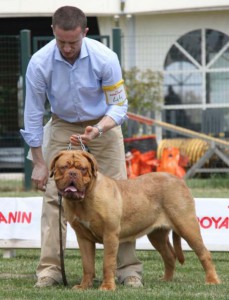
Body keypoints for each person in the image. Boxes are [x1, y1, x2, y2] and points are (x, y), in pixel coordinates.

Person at [20, 6, 143, 288]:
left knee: (119, 197)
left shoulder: (104, 58)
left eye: (73, 42)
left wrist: (99, 129)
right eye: (61, 41)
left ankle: (127, 270)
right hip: (62, 123)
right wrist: (39, 162)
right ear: (53, 31)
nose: (66, 48)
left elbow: (119, 105)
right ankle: (50, 270)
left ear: (85, 33)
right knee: (53, 197)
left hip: (103, 126)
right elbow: (33, 114)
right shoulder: (39, 63)